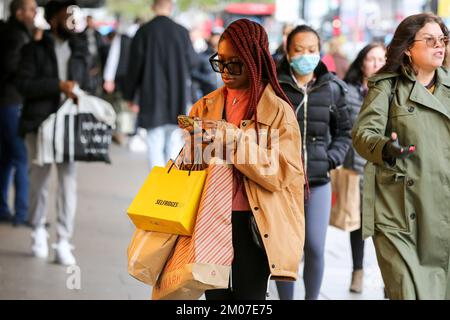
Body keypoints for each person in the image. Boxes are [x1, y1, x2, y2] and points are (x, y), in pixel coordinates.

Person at [180, 18, 305, 300]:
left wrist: (234, 140)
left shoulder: (275, 111)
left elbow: (281, 174)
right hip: (210, 220)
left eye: (234, 63)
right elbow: (193, 169)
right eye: (220, 62)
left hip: (253, 222)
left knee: (249, 299)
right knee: (215, 299)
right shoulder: (207, 105)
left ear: (254, 58)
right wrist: (195, 146)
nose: (224, 71)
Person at [353, 13, 450, 300]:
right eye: (430, 40)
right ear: (408, 47)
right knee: (406, 292)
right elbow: (362, 135)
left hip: (442, 211)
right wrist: (386, 148)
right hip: (399, 212)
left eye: (442, 40)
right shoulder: (387, 86)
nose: (439, 46)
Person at [275, 25, 352, 300]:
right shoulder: (274, 86)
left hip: (318, 181)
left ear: (319, 51)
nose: (306, 55)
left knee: (316, 246)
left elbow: (346, 131)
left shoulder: (332, 88)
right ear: (288, 51)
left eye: (312, 50)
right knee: (287, 249)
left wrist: (331, 158)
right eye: (299, 50)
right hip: (281, 183)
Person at [16, 0, 91, 266]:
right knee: (39, 180)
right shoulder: (34, 50)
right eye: (66, 14)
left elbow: (90, 86)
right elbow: (23, 85)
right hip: (39, 125)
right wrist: (58, 85)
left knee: (68, 183)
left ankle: (62, 240)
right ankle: (37, 230)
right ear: (53, 19)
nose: (72, 19)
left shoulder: (80, 51)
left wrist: (81, 91)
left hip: (69, 126)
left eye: (74, 14)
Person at [124, 0, 199, 170]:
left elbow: (133, 68)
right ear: (170, 7)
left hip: (152, 97)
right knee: (173, 145)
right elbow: (193, 62)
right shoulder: (181, 32)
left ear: (153, 7)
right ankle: (170, 190)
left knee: (154, 145)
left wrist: (129, 96)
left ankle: (156, 190)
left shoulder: (144, 31)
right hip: (177, 97)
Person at [342, 42, 386, 293]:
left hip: (384, 168)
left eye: (382, 59)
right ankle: (357, 271)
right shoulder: (348, 92)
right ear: (362, 63)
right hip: (356, 168)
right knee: (358, 225)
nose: (377, 64)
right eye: (372, 59)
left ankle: (387, 276)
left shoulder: (393, 91)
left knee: (383, 226)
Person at [0, 0, 37, 226]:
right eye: (32, 9)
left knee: (6, 158)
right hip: (11, 101)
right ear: (19, 12)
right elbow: (11, 65)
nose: (34, 13)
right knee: (22, 157)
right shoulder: (17, 36)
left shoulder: (11, 31)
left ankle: (3, 208)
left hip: (6, 101)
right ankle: (24, 213)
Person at [103, 28, 132, 145]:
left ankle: (122, 131)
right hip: (126, 78)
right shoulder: (123, 37)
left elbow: (113, 57)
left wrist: (108, 78)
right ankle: (123, 131)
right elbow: (113, 57)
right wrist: (109, 78)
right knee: (122, 105)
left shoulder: (122, 38)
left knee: (121, 105)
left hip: (123, 77)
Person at [81, 15, 106, 96]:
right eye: (88, 21)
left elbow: (103, 49)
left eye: (91, 21)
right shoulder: (82, 34)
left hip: (96, 60)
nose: (90, 23)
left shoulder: (98, 34)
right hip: (86, 60)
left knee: (96, 81)